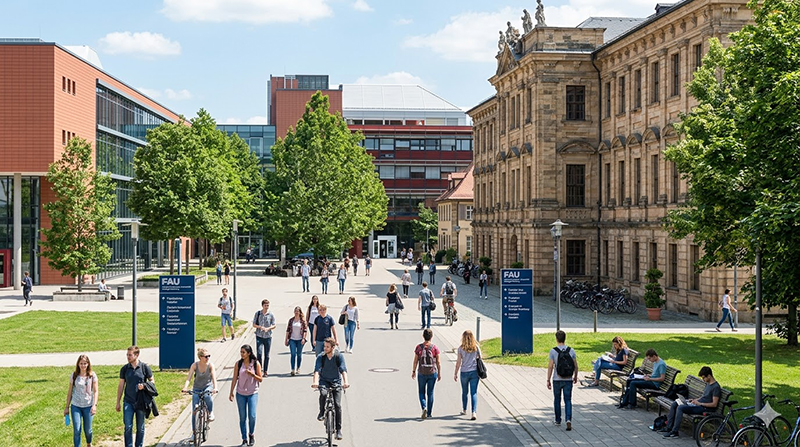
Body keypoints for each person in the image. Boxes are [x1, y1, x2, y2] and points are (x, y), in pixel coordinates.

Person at [661, 366, 721, 438]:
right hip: (698, 404)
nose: (703, 380)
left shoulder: (716, 387)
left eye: (704, 378)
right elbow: (704, 397)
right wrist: (695, 400)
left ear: (709, 376)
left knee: (680, 408)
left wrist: (700, 403)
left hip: (704, 408)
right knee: (675, 403)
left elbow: (714, 404)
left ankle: (675, 432)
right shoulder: (708, 384)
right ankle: (669, 427)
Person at [312, 337, 350, 441]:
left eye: (327, 347)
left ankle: (338, 430)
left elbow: (343, 370)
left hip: (336, 382)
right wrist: (315, 382)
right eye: (324, 346)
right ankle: (321, 412)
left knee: (337, 405)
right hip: (324, 381)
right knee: (323, 394)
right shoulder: (321, 356)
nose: (325, 348)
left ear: (333, 348)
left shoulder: (338, 356)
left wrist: (346, 382)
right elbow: (316, 371)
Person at [116, 346, 154, 447]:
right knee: (128, 426)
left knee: (140, 427)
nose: (128, 357)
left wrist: (144, 386)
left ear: (136, 355)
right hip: (128, 401)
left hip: (141, 402)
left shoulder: (144, 367)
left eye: (130, 355)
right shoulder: (124, 369)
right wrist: (118, 402)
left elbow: (152, 381)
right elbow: (121, 386)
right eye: (127, 355)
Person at [229, 345, 262, 446]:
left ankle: (251, 434)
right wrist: (231, 392)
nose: (242, 354)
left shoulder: (256, 364)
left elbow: (260, 379)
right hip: (241, 394)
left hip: (252, 393)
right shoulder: (238, 364)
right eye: (241, 352)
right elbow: (234, 378)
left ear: (249, 353)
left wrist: (252, 375)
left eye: (243, 352)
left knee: (252, 416)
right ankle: (244, 439)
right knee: (242, 417)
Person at [182, 348, 218, 440]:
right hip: (197, 388)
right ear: (200, 357)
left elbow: (214, 378)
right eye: (206, 356)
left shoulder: (210, 365)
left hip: (207, 386)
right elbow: (189, 378)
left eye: (209, 356)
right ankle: (194, 433)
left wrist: (215, 388)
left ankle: (210, 412)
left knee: (207, 396)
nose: (208, 358)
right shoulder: (195, 365)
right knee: (194, 410)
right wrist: (185, 387)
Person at [547, 330, 578, 430]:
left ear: (556, 339)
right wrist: (575, 376)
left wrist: (548, 379)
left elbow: (550, 366)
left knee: (557, 399)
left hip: (557, 379)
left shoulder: (553, 351)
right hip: (568, 379)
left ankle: (557, 420)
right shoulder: (571, 350)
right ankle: (568, 419)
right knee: (568, 400)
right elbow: (576, 366)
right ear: (565, 338)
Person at [65, 355, 98, 447]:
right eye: (81, 363)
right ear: (78, 364)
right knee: (77, 430)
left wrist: (94, 405)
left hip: (88, 405)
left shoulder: (92, 376)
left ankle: (89, 443)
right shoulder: (74, 375)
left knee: (88, 430)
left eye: (85, 363)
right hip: (76, 406)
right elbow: (70, 392)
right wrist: (67, 407)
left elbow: (95, 391)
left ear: (88, 364)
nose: (83, 366)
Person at [412, 328, 441, 419]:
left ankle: (424, 407)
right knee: (430, 392)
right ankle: (429, 413)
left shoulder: (418, 347)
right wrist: (439, 373)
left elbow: (415, 361)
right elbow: (438, 362)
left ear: (423, 336)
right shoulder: (434, 348)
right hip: (432, 372)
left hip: (421, 372)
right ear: (431, 337)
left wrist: (413, 371)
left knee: (421, 392)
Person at [454, 330, 481, 420]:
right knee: (474, 392)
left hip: (464, 372)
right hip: (474, 372)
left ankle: (464, 409)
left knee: (464, 392)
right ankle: (474, 412)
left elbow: (458, 362)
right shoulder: (476, 347)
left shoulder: (460, 348)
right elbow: (480, 358)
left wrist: (455, 373)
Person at [252, 299, 276, 373]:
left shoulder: (271, 314)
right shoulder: (258, 313)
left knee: (267, 355)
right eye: (265, 305)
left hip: (268, 336)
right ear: (262, 306)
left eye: (268, 305)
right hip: (259, 336)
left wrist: (268, 328)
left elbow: (274, 325)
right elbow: (253, 324)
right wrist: (260, 327)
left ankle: (265, 370)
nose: (266, 307)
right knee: (259, 353)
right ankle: (259, 368)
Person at [285, 306, 308, 375]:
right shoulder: (291, 320)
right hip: (292, 339)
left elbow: (305, 330)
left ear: (300, 312)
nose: (296, 312)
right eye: (295, 311)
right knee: (293, 354)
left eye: (298, 311)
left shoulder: (302, 321)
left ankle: (298, 367)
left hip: (300, 340)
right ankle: (292, 369)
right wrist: (286, 339)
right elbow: (288, 330)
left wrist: (303, 338)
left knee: (299, 354)